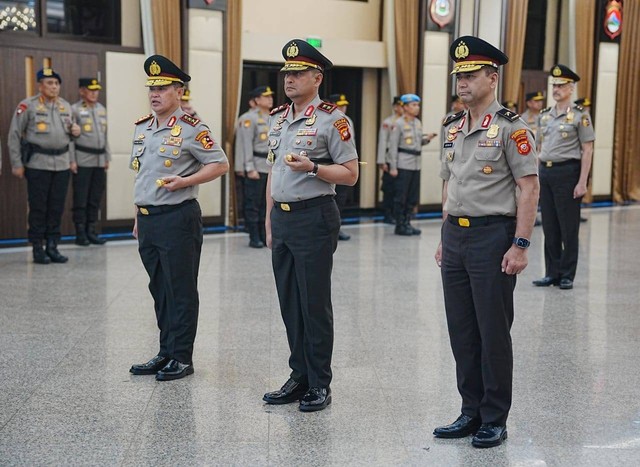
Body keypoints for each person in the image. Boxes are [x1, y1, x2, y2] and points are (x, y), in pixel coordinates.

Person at [433, 36, 539, 448]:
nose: (462, 82)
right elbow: (449, 185)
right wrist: (445, 235)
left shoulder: (513, 127)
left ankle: (495, 417)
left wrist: (521, 245)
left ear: (492, 78)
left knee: (493, 330)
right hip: (456, 236)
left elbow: (528, 189)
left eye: (471, 74)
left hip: (492, 236)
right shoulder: (452, 126)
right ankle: (469, 410)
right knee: (462, 329)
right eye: (459, 74)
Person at [262, 39, 359, 412]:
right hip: (283, 219)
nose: (290, 79)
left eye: (298, 72)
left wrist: (315, 168)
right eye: (287, 72)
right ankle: (298, 374)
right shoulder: (278, 118)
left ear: (316, 77)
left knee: (313, 302)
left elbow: (349, 175)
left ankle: (319, 381)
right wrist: (270, 219)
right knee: (289, 302)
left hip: (314, 216)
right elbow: (274, 170)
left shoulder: (333, 119)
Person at [128, 55, 229, 381]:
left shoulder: (192, 128)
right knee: (159, 288)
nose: (154, 94)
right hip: (148, 219)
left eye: (162, 88)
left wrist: (186, 182)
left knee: (180, 289)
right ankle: (165, 351)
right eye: (151, 88)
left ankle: (182, 357)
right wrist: (137, 215)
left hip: (177, 217)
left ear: (179, 91)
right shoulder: (142, 128)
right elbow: (142, 175)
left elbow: (220, 164)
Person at [8, 67, 81, 264]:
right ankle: (38, 247)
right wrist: (16, 163)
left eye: (56, 83)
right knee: (39, 207)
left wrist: (72, 158)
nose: (54, 87)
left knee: (56, 207)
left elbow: (70, 139)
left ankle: (52, 246)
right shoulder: (27, 106)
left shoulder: (66, 107)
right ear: (40, 85)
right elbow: (14, 135)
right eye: (49, 83)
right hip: (38, 164)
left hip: (62, 165)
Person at [532, 65, 594, 290]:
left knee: (568, 227)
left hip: (568, 173)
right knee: (549, 226)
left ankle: (567, 274)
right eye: (554, 86)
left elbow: (587, 149)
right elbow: (540, 148)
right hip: (546, 173)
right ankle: (552, 272)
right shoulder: (544, 116)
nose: (556, 89)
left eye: (561, 86)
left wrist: (582, 182)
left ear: (571, 88)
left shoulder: (580, 116)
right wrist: (536, 178)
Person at [388, 94, 436, 236]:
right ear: (405, 107)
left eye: (418, 105)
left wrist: (427, 139)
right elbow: (393, 146)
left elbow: (417, 142)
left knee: (412, 197)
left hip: (416, 164)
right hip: (403, 164)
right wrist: (393, 166)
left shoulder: (417, 123)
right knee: (401, 197)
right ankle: (400, 225)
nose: (417, 108)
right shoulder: (398, 124)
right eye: (413, 105)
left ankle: (408, 222)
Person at [70, 78, 110, 246]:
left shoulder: (101, 109)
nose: (94, 93)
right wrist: (72, 160)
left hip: (99, 160)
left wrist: (107, 156)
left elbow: (104, 135)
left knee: (95, 198)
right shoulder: (74, 110)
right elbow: (70, 138)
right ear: (82, 91)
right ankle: (80, 233)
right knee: (81, 198)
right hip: (82, 160)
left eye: (96, 90)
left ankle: (91, 231)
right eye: (90, 90)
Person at [234, 85, 274, 248]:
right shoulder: (248, 118)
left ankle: (265, 235)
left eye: (270, 96)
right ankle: (254, 236)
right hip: (256, 166)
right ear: (255, 101)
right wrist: (249, 168)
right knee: (253, 204)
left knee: (267, 205)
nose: (270, 98)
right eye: (265, 96)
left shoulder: (274, 117)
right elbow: (245, 144)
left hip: (270, 167)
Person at [327, 93, 355, 240]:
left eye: (344, 105)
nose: (343, 108)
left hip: (345, 167)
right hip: (331, 167)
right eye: (340, 104)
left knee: (341, 199)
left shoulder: (347, 120)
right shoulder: (326, 119)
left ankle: (337, 228)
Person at [376, 96, 403, 224]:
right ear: (395, 107)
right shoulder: (388, 122)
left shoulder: (407, 122)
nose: (401, 108)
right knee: (389, 188)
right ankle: (388, 214)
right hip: (388, 158)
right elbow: (383, 141)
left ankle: (398, 214)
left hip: (401, 160)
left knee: (400, 189)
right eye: (399, 106)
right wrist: (382, 161)